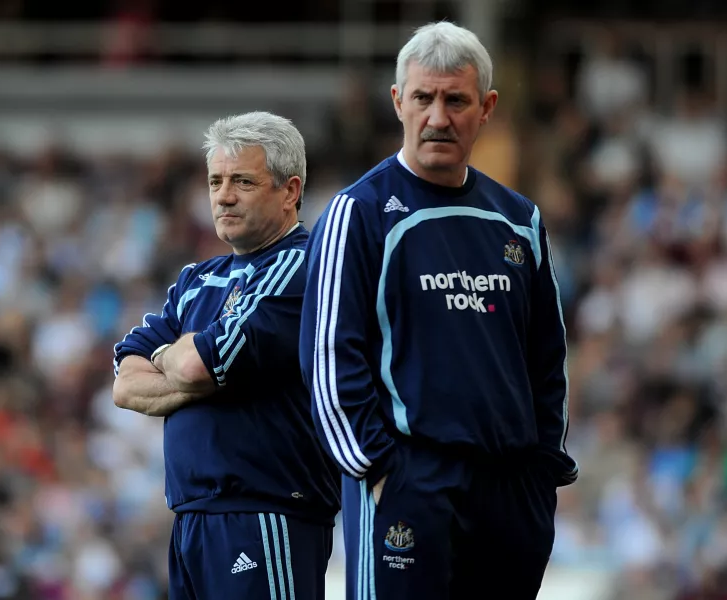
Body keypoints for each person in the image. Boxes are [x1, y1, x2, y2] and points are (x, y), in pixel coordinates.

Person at [299, 22, 578, 600]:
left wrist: (542, 470)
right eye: (424, 97)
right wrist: (376, 471)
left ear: (487, 108)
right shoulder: (359, 212)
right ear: (399, 102)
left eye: (456, 100)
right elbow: (328, 356)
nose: (438, 116)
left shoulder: (519, 219)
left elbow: (548, 358)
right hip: (408, 483)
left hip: (510, 491)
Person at [113, 111, 340, 600]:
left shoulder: (304, 266)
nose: (224, 195)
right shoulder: (197, 279)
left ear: (290, 191)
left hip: (267, 514)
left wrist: (182, 362)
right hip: (193, 516)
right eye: (215, 180)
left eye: (243, 181)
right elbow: (125, 384)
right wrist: (198, 369)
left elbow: (197, 364)